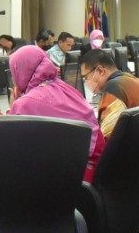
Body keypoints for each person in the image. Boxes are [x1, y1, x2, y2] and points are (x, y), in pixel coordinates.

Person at [8, 46, 106, 181]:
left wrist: (13, 106)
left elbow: (10, 143)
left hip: (72, 177)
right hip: (96, 168)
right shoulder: (63, 86)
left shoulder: (24, 104)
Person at [80, 49, 139, 139]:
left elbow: (108, 138)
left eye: (86, 77)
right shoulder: (134, 80)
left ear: (100, 71)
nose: (86, 82)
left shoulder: (112, 88)